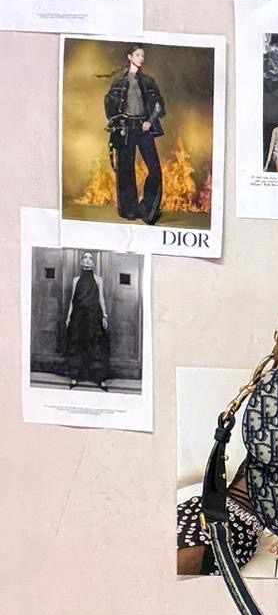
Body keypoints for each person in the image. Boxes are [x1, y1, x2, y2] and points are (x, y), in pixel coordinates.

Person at [103, 46, 164, 223]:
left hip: (144, 128)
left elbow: (159, 105)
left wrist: (149, 121)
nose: (141, 58)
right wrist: (117, 123)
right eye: (137, 55)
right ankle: (129, 210)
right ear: (130, 57)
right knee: (125, 170)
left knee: (154, 169)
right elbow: (109, 103)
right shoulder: (119, 81)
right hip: (126, 130)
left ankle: (147, 210)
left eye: (143, 55)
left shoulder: (148, 81)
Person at [64, 251, 109, 390]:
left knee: (96, 345)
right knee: (76, 345)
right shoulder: (76, 280)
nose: (88, 260)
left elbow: (101, 297)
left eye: (90, 258)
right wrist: (68, 316)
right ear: (81, 262)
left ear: (93, 263)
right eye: (85, 258)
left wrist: (104, 315)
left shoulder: (98, 279)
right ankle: (74, 377)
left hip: (94, 317)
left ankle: (100, 379)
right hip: (78, 317)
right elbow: (72, 300)